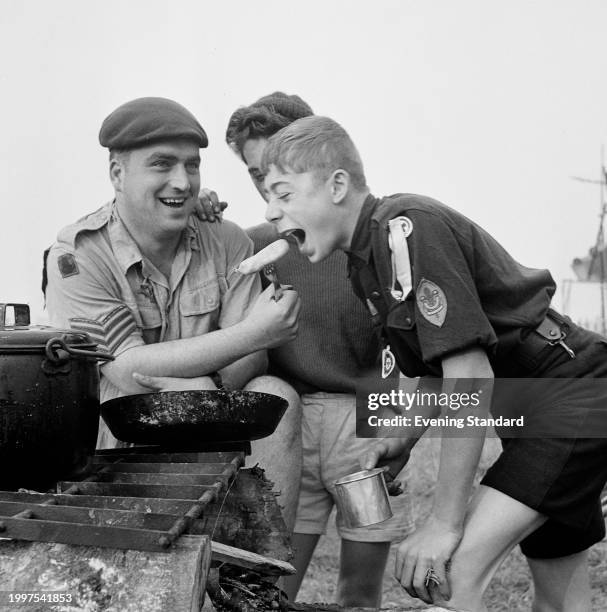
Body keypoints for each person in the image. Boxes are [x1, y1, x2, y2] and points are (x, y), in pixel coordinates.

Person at [258, 114, 607, 611]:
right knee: (562, 595)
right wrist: (403, 438)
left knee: (445, 573)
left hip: (569, 394)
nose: (271, 211)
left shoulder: (405, 229)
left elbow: (470, 373)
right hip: (536, 404)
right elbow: (438, 369)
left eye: (284, 193)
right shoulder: (366, 263)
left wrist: (445, 522)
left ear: (337, 185)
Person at [43, 97, 302, 529]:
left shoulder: (227, 240)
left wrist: (211, 384)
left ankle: (257, 575)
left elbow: (253, 359)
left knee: (276, 391)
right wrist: (254, 334)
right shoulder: (78, 254)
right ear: (117, 174)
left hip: (215, 418)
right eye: (162, 164)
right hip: (118, 437)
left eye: (192, 165)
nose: (182, 182)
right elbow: (128, 370)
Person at [221, 93, 415, 608]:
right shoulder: (252, 244)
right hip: (294, 429)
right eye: (255, 175)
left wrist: (399, 433)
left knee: (359, 590)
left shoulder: (367, 236)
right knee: (275, 578)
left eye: (276, 172)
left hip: (364, 426)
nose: (267, 188)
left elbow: (406, 349)